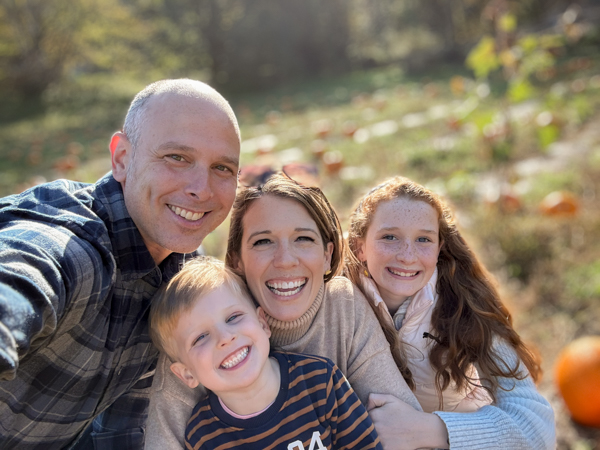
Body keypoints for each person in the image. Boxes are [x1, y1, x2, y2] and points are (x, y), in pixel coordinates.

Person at [0, 78, 241, 449]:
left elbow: (122, 431)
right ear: (122, 159)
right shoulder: (73, 248)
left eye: (222, 168)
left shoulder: (181, 280)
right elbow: (22, 272)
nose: (202, 189)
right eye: (177, 158)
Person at [145, 173, 421, 449]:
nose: (285, 260)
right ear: (236, 260)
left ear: (327, 255)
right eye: (263, 242)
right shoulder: (191, 330)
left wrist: (438, 429)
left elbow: (406, 428)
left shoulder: (342, 307)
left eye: (303, 238)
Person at [345, 176, 556, 449]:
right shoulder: (338, 301)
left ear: (439, 248)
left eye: (423, 239)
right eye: (390, 237)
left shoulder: (463, 305)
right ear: (360, 247)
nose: (407, 255)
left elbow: (538, 428)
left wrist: (430, 430)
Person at [149, 255, 383, 450]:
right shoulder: (203, 436)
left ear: (262, 323)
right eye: (200, 337)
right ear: (187, 374)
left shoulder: (321, 382)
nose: (225, 338)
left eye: (233, 317)